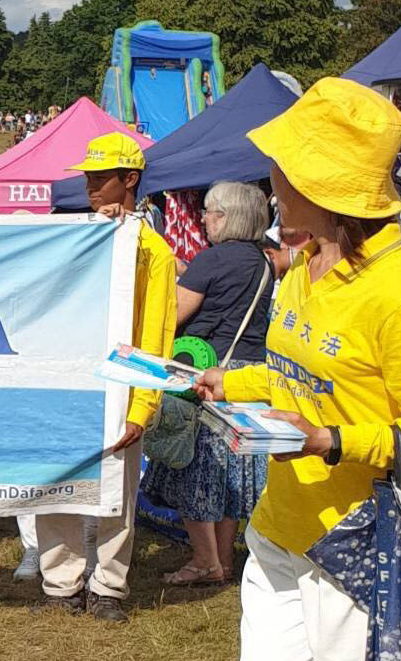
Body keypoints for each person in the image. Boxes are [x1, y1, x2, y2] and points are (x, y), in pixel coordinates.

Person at [195, 78, 401, 661]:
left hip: (360, 541)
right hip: (279, 526)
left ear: (317, 184)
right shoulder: (301, 266)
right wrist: (231, 383)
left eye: (281, 165)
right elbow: (294, 375)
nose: (269, 179)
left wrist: (327, 440)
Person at [37, 132, 177, 622]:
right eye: (89, 177)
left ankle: (109, 587)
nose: (91, 187)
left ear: (130, 180)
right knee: (54, 485)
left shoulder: (151, 250)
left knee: (117, 493)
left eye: (101, 178)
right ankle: (59, 584)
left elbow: (155, 332)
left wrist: (142, 406)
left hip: (119, 387)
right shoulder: (77, 233)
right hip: (66, 384)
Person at [143, 181, 273, 585]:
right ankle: (224, 561)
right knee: (232, 478)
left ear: (228, 217)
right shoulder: (265, 261)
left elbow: (175, 314)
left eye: (210, 212)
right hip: (248, 376)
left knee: (194, 470)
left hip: (208, 376)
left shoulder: (212, 259)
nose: (203, 218)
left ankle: (204, 560)